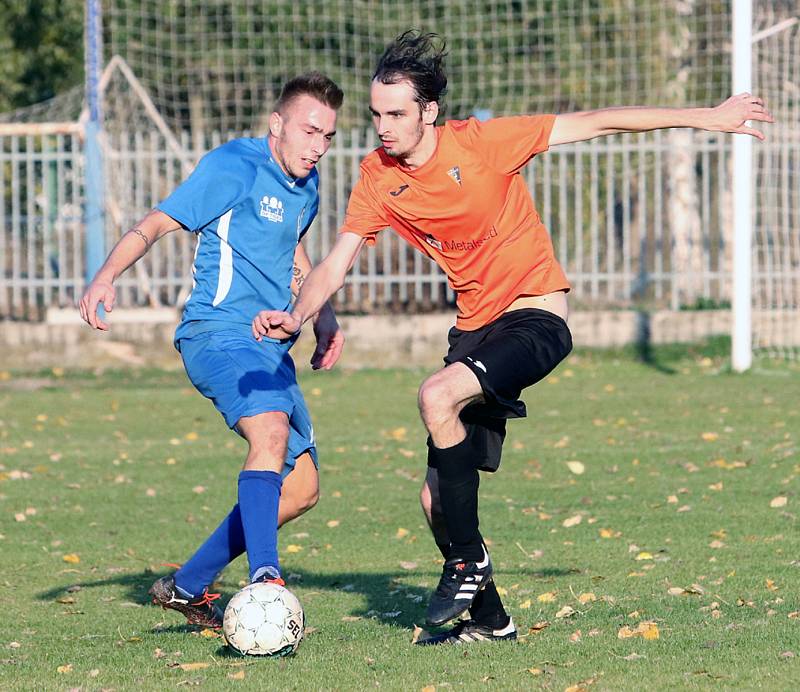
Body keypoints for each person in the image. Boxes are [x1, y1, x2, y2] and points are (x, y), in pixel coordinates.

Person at [252, 31, 774, 645]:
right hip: (474, 332)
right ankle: (493, 621)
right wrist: (296, 314)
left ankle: (466, 564)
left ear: (429, 112)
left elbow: (600, 121)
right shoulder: (377, 177)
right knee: (436, 500)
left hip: (535, 319)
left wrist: (708, 118)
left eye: (396, 114)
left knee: (436, 395)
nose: (382, 127)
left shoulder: (484, 144)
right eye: (374, 115)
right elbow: (336, 261)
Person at [79, 72, 346, 628]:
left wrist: (323, 314)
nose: (318, 146)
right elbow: (156, 224)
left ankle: (188, 584)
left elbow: (292, 248)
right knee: (269, 431)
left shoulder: (309, 185)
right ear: (278, 124)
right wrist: (105, 276)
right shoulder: (234, 165)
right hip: (217, 332)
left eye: (328, 137)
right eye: (309, 131)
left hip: (272, 348)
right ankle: (267, 581)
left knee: (299, 490)